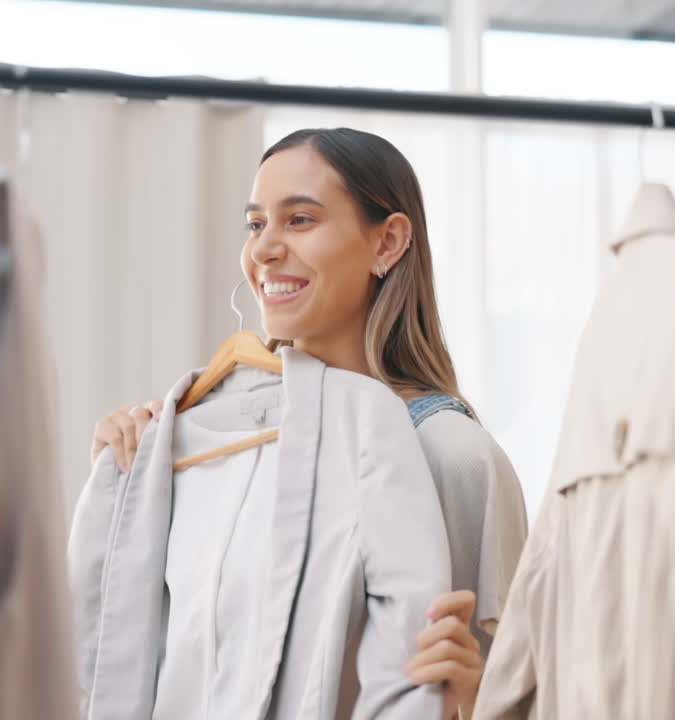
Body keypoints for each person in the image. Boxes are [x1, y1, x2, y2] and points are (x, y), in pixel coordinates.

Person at [88, 127, 527, 719]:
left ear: (388, 243)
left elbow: (525, 690)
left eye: (299, 220)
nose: (264, 249)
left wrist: (472, 700)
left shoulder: (449, 455)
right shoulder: (211, 445)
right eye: (255, 224)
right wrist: (127, 482)